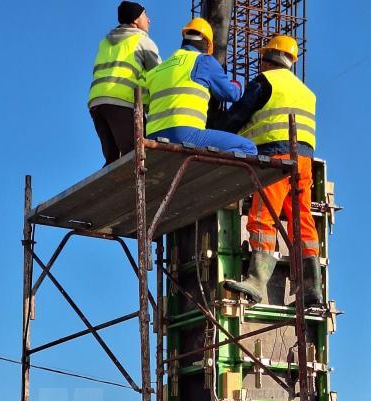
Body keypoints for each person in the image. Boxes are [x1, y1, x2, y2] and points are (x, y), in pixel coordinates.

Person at [220, 35, 322, 306]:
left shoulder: (265, 82)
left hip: (275, 158)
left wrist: (216, 135)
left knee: (263, 216)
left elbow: (238, 115)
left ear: (268, 59)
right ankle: (312, 290)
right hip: (303, 162)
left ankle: (256, 281)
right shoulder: (306, 91)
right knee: (303, 223)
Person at [145, 18, 257, 156]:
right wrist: (236, 84)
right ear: (206, 43)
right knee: (248, 148)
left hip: (152, 137)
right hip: (185, 134)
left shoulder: (156, 70)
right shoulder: (203, 60)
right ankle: (216, 174)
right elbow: (231, 94)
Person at [88, 2, 161, 165]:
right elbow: (160, 75)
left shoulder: (105, 42)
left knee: (113, 159)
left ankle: (110, 190)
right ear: (135, 19)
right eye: (145, 15)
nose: (149, 20)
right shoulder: (142, 41)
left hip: (98, 103)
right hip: (124, 102)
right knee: (137, 156)